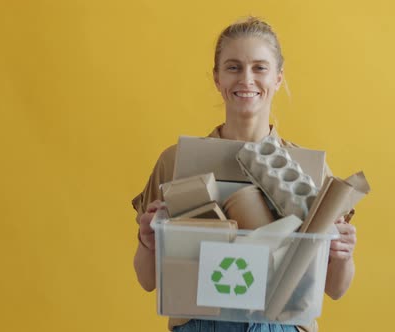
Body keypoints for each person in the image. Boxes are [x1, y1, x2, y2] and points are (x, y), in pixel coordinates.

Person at [132, 17, 357, 332]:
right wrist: (148, 242)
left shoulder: (310, 172)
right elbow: (147, 280)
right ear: (217, 78)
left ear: (278, 78)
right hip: (201, 324)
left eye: (260, 68)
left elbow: (336, 288)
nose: (246, 79)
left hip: (281, 325)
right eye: (233, 67)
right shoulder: (177, 162)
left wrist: (343, 254)